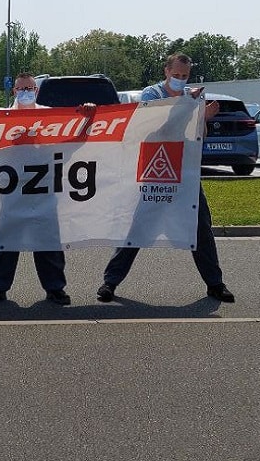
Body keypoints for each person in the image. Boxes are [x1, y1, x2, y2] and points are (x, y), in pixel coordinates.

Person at [97, 52, 235, 303]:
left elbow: (199, 134)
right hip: (155, 169)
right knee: (138, 226)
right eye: (176, 75)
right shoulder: (152, 95)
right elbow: (153, 128)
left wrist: (202, 116)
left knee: (201, 227)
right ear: (166, 72)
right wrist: (189, 110)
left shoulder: (194, 96)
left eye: (184, 76)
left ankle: (215, 284)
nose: (180, 80)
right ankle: (110, 282)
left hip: (185, 171)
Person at [0, 73, 74, 306]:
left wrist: (88, 117)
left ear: (36, 90)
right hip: (13, 193)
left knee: (49, 243)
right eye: (21, 89)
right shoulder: (1, 117)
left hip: (44, 192)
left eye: (29, 88)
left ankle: (55, 289)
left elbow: (72, 142)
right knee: (5, 244)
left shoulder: (50, 116)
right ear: (14, 92)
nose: (25, 92)